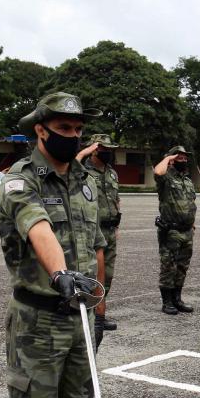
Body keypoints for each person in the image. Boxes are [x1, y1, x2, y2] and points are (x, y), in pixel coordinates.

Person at [0, 92, 109, 398]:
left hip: (79, 318)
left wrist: (99, 308)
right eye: (65, 128)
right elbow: (37, 226)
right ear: (40, 129)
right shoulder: (19, 181)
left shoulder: (86, 179)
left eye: (78, 128)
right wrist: (60, 274)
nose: (75, 135)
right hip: (39, 318)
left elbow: (97, 244)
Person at [77, 134, 122, 341]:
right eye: (104, 148)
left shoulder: (111, 173)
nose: (108, 152)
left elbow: (116, 199)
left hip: (110, 230)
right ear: (94, 149)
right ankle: (90, 314)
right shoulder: (82, 170)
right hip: (92, 230)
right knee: (91, 273)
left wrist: (117, 225)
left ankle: (99, 313)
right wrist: (84, 152)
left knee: (108, 275)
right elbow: (69, 167)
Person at [154, 145, 196, 315]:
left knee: (182, 267)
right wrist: (168, 158)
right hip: (170, 231)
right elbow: (157, 172)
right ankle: (167, 302)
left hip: (187, 231)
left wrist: (192, 223)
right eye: (179, 157)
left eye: (185, 157)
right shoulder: (166, 178)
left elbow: (189, 203)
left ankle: (177, 299)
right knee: (168, 267)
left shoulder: (187, 179)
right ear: (171, 160)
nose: (183, 160)